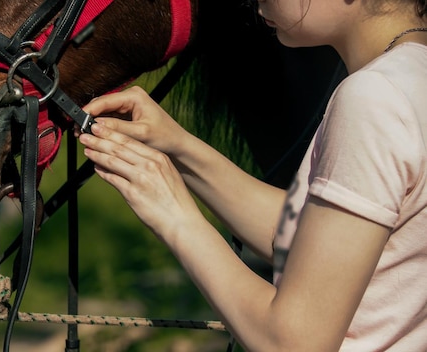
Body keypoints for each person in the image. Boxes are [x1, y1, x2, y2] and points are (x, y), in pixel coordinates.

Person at [76, 0, 427, 350]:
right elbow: (323, 247)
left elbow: (293, 342)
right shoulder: (411, 80)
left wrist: (173, 214)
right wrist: (178, 147)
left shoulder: (373, 99)